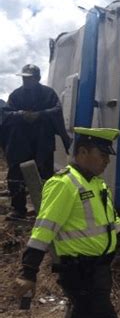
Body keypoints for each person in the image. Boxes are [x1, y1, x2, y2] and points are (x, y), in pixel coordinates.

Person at [14, 127, 120, 318]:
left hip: (99, 270)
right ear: (82, 153)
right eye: (102, 155)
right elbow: (44, 230)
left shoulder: (97, 184)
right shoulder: (64, 184)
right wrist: (28, 272)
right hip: (80, 273)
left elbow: (112, 221)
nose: (107, 161)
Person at [2, 64, 70, 221]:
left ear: (37, 79)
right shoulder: (16, 95)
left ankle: (45, 210)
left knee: (45, 175)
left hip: (42, 142)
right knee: (16, 175)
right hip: (20, 142)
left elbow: (57, 111)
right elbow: (6, 114)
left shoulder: (48, 94)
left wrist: (41, 115)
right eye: (24, 78)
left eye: (29, 78)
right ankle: (18, 209)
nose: (26, 81)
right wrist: (20, 115)